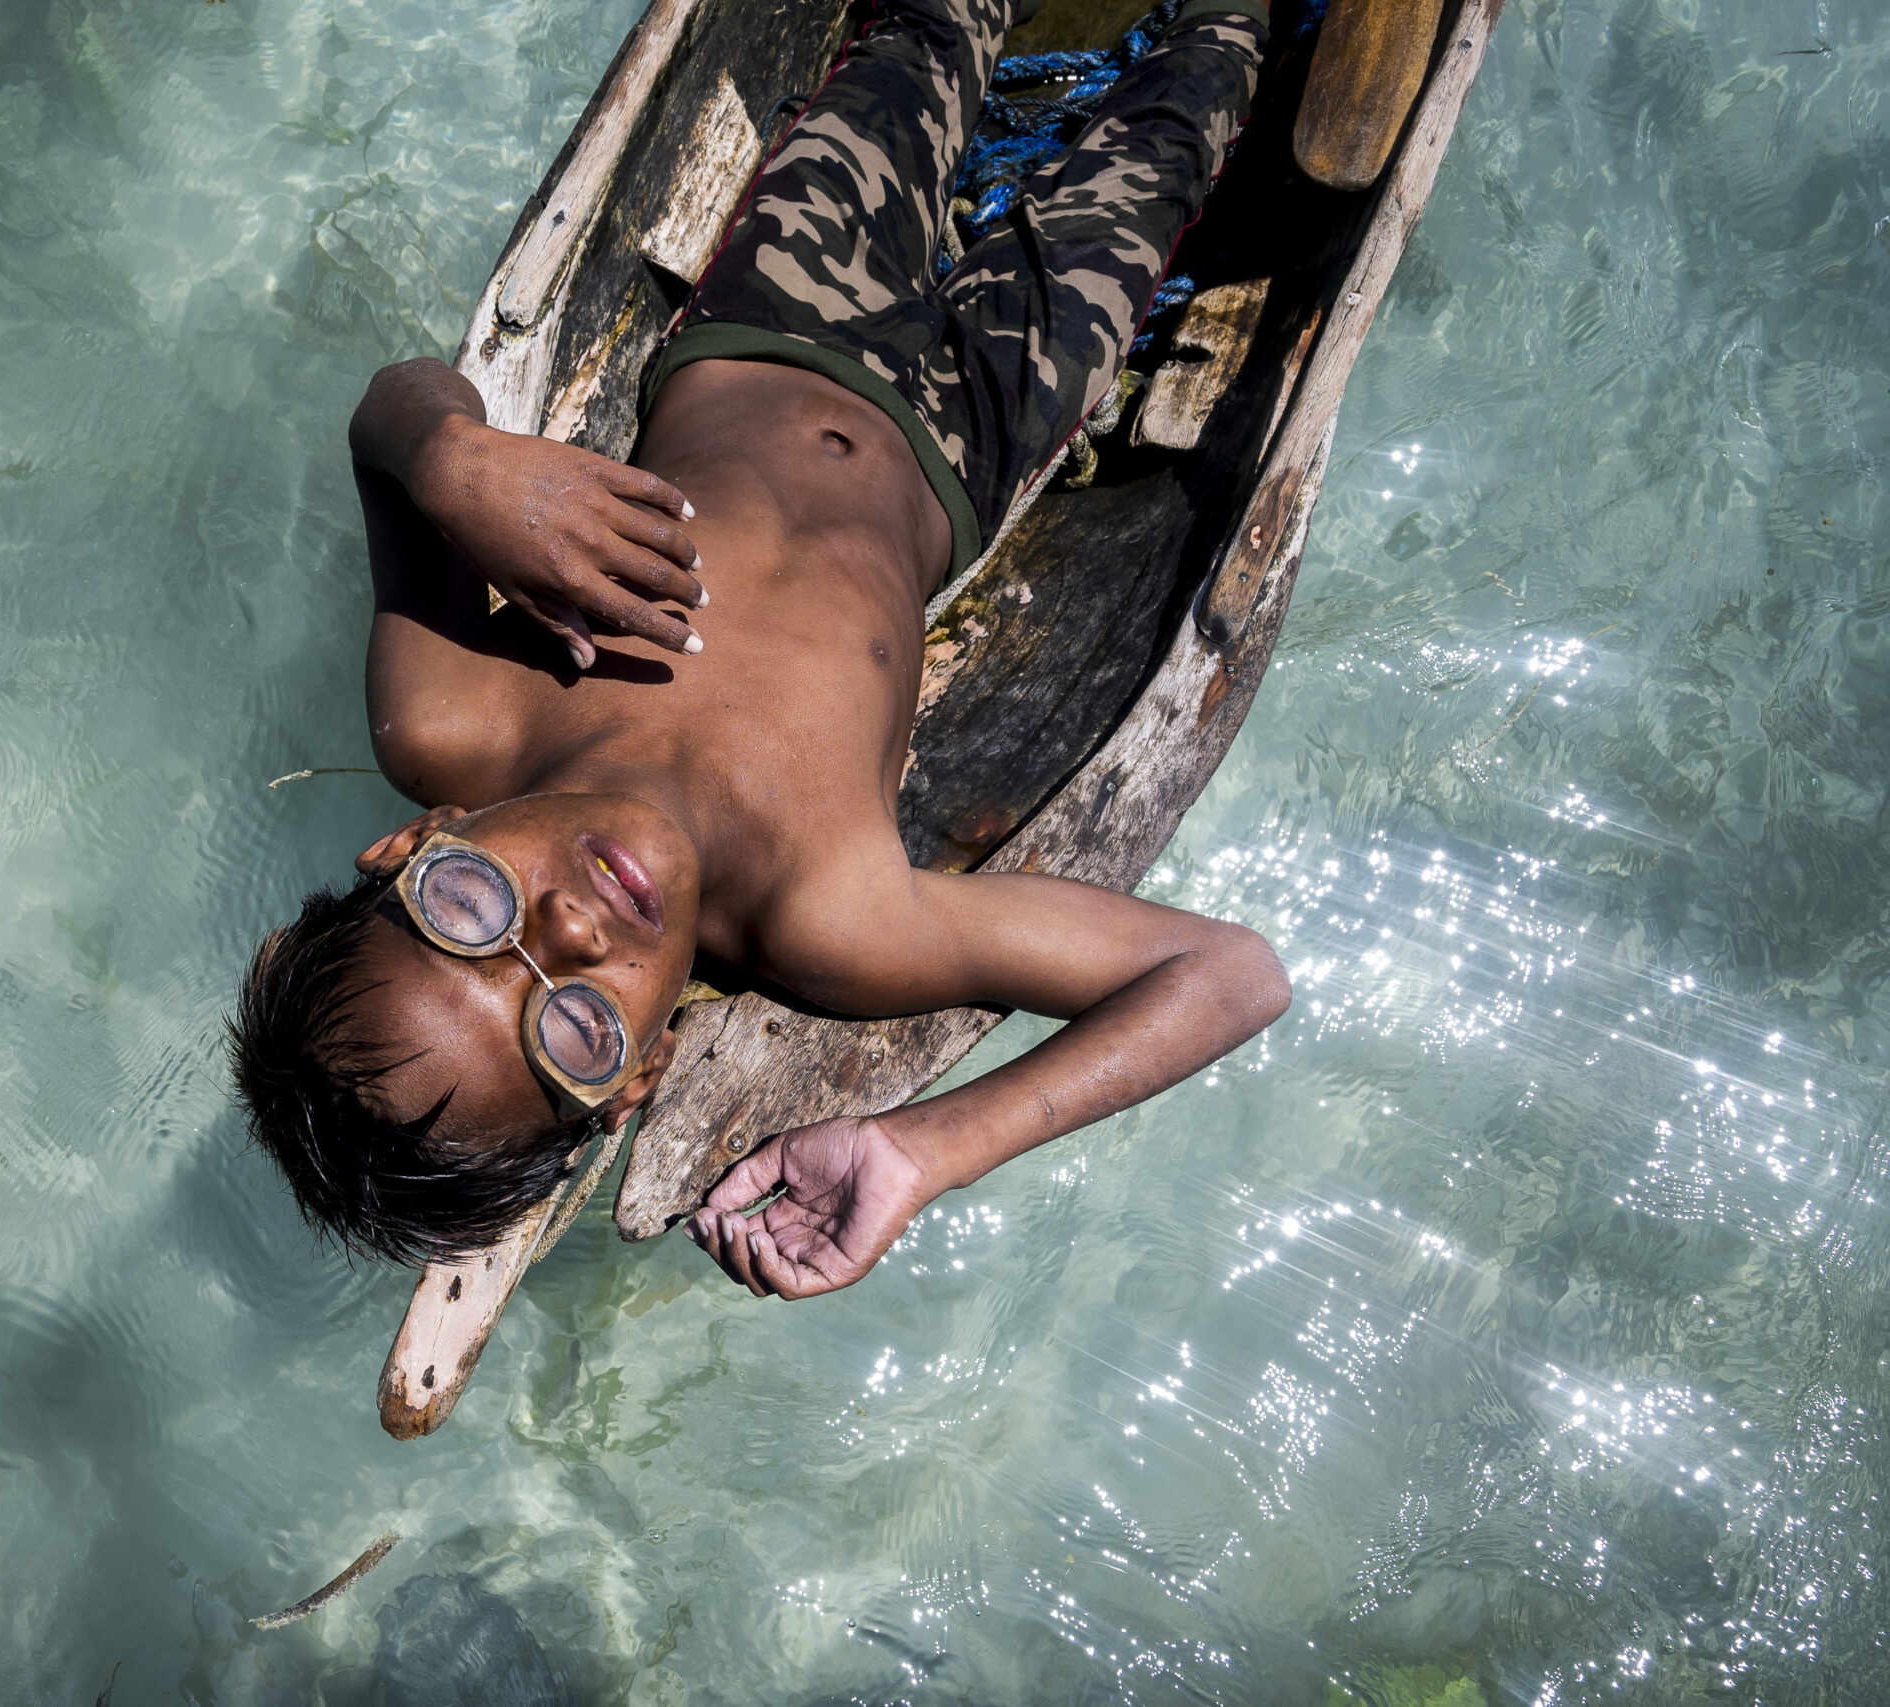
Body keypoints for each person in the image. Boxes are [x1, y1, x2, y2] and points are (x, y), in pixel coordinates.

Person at [230, 0, 1286, 1299]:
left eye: (470, 913)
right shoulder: (830, 918)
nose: (564, 925)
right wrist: (924, 1149)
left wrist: (455, 462)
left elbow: (392, 404)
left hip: (776, 311)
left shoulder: (454, 718)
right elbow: (1229, 972)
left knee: (924, 44)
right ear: (641, 1078)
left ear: (408, 848)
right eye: (572, 1022)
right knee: (1185, 111)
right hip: (977, 435)